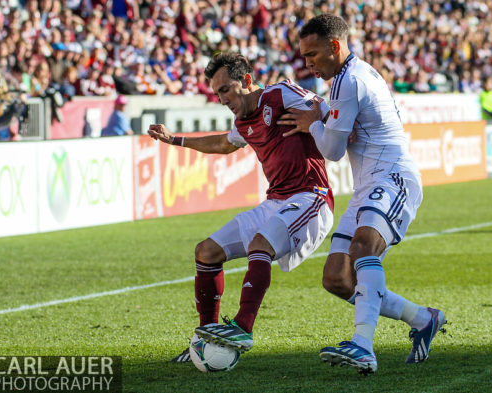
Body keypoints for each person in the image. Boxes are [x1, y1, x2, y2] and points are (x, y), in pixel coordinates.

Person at [278, 14, 446, 374]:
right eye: (304, 56)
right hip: (368, 186)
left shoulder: (349, 80)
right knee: (337, 278)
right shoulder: (353, 75)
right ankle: (422, 318)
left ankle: (363, 345)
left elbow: (333, 150)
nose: (307, 63)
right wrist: (323, 114)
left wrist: (312, 124)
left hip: (394, 177)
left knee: (362, 248)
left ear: (335, 46)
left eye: (312, 54)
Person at [147, 52, 334, 364]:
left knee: (260, 243)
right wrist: (176, 140)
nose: (222, 99)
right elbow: (223, 144)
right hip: (275, 201)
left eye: (225, 90)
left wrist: (318, 119)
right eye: (217, 93)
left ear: (246, 81)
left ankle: (243, 328)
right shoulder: (242, 122)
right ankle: (206, 338)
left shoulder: (281, 94)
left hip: (311, 197)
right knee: (206, 251)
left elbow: (329, 110)